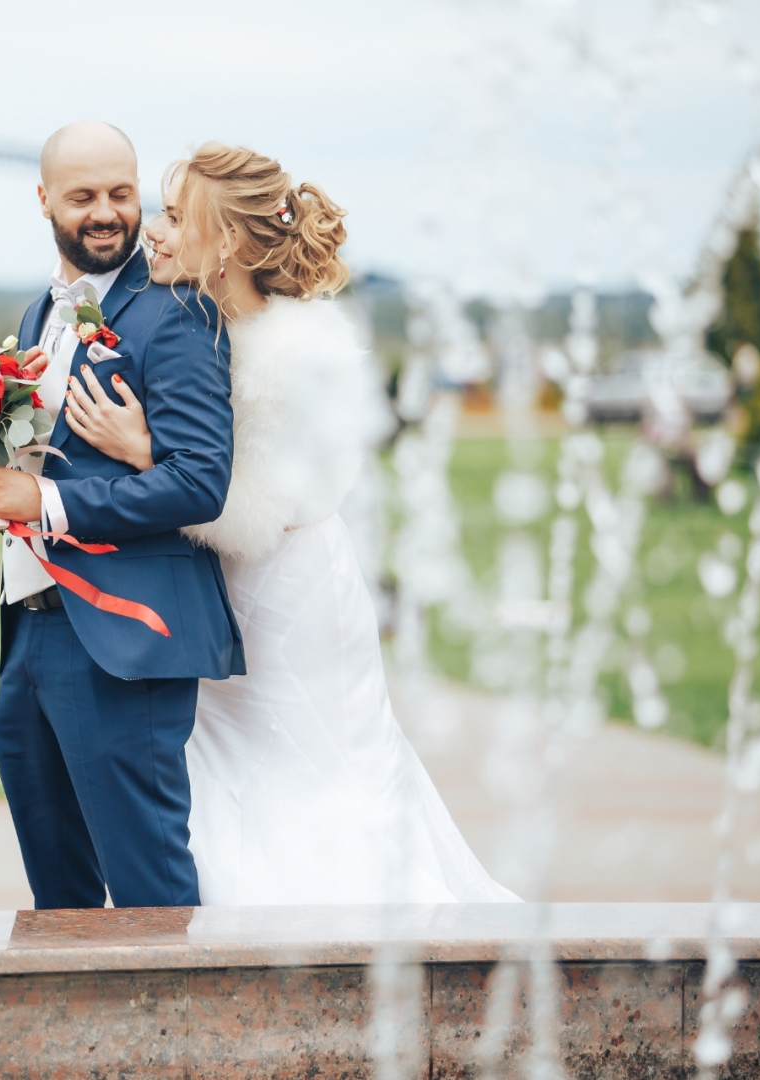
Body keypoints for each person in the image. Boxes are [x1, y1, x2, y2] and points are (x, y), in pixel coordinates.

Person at [61, 142, 518, 904]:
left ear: (230, 241)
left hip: (287, 593)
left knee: (306, 771)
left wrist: (144, 452)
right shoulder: (197, 327)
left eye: (176, 218)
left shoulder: (300, 350)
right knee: (219, 775)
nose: (156, 234)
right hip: (217, 587)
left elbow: (262, 514)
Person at [0, 122, 244, 910]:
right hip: (30, 627)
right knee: (58, 893)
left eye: (121, 194)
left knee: (149, 886)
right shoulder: (36, 319)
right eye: (83, 196)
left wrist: (46, 501)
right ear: (45, 200)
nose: (105, 212)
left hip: (126, 643)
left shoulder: (176, 315)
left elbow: (201, 482)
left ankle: (182, 1035)